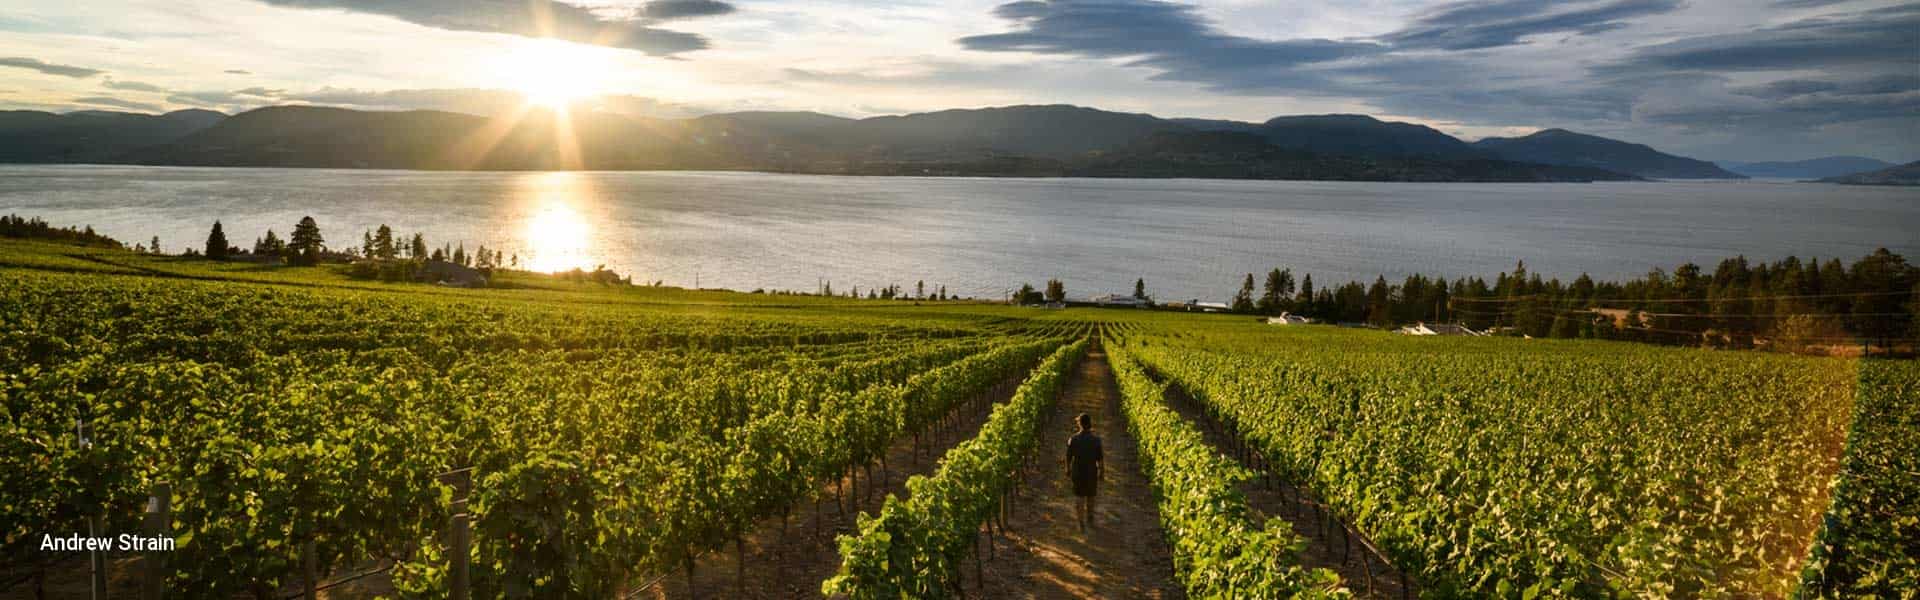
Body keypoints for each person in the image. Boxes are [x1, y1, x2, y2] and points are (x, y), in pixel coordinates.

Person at [1066, 412, 1104, 531]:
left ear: (1080, 424)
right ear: (1090, 424)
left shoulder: (1073, 439)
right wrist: (1102, 472)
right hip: (1091, 472)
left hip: (1078, 472)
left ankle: (1081, 522)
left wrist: (1067, 469)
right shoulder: (1096, 440)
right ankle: (1090, 518)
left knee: (1079, 497)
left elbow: (1068, 457)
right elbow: (1100, 459)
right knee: (1091, 496)